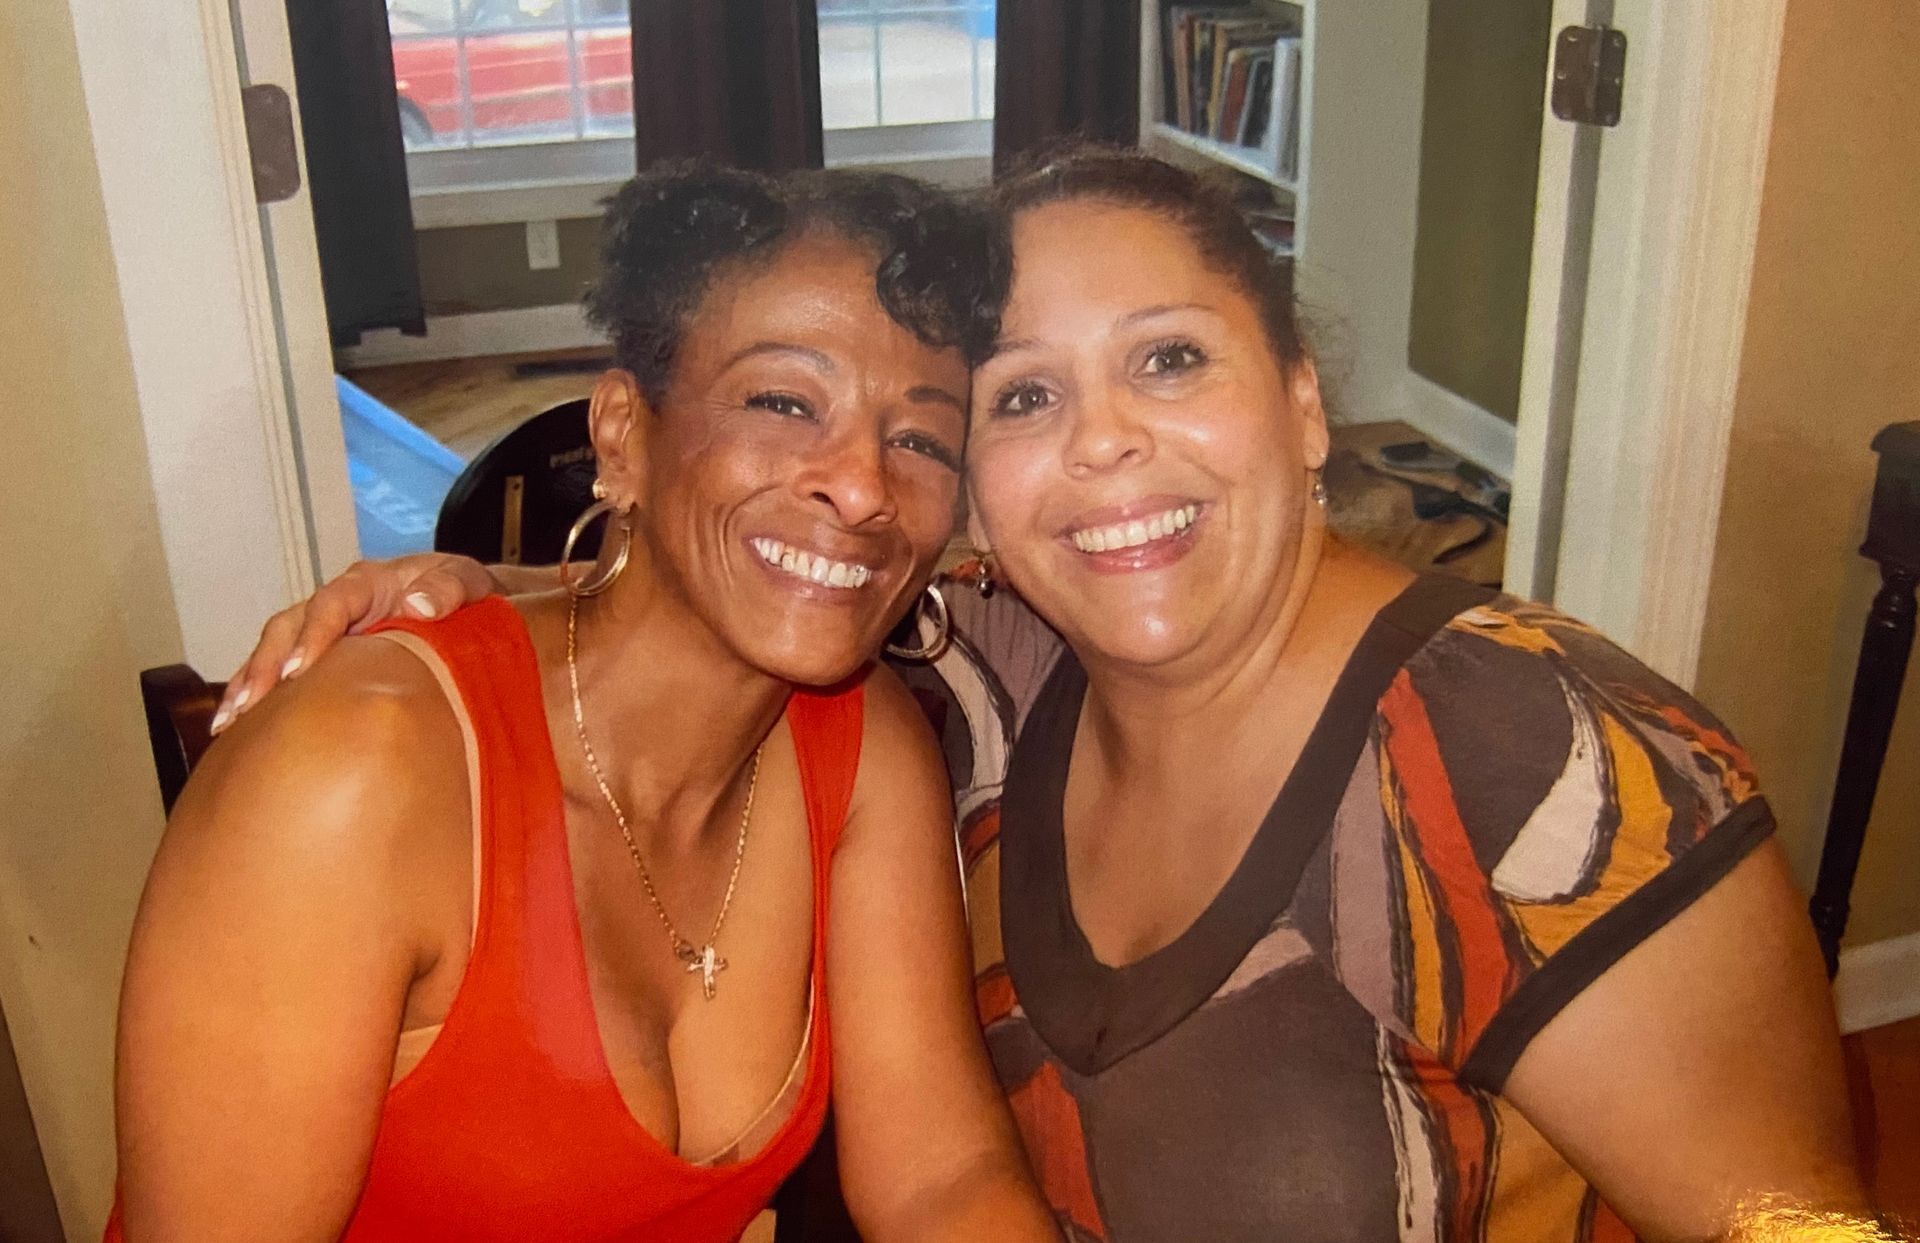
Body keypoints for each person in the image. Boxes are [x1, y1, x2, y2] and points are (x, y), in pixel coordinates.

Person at [219, 148, 1877, 1242]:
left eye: (1170, 358)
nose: (1103, 443)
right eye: (1020, 397)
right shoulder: (987, 665)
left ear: (1304, 402)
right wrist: (491, 593)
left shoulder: (1544, 760)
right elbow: (759, 569)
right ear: (982, 505)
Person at [112, 163, 1059, 1242]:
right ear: (623, 438)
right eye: (784, 402)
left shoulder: (863, 743)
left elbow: (943, 1178)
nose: (861, 486)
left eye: (921, 440)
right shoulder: (354, 774)